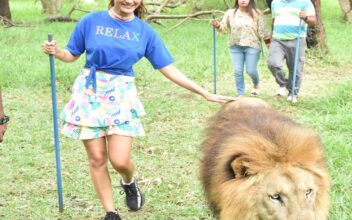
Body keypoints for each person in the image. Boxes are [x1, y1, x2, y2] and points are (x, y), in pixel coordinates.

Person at [41, 0, 234, 219]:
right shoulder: (90, 21)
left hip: (122, 95)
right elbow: (71, 54)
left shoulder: (144, 32)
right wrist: (56, 51)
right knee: (96, 158)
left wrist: (204, 92)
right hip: (90, 93)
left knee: (120, 160)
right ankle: (110, 213)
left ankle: (128, 182)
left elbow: (168, 68)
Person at [211, 0, 270, 97]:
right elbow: (224, 28)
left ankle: (256, 83)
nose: (243, 0)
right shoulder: (230, 13)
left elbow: (263, 31)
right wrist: (217, 25)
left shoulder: (257, 13)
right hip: (235, 46)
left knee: (250, 70)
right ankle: (240, 94)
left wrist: (269, 46)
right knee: (237, 71)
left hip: (253, 46)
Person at [267, 0, 316, 103]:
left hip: (297, 38)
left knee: (296, 68)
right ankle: (283, 84)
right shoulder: (275, 2)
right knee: (273, 63)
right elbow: (274, 20)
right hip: (278, 39)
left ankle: (293, 92)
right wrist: (271, 38)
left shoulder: (305, 2)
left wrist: (305, 17)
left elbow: (313, 21)